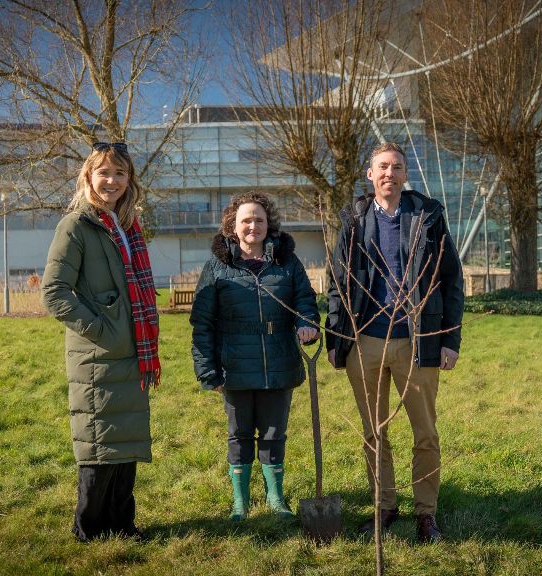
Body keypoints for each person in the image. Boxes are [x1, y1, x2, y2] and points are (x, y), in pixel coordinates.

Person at [325, 142, 464, 543]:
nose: (389, 173)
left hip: (417, 341)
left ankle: (426, 514)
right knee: (373, 431)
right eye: (382, 167)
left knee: (426, 433)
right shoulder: (353, 219)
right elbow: (338, 282)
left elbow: (451, 280)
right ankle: (384, 507)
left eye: (397, 167)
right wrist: (337, 337)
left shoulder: (428, 217)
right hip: (365, 340)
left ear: (405, 175)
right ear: (370, 175)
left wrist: (449, 339)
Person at [42, 141, 160, 542]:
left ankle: (121, 525)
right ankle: (90, 529)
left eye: (120, 174)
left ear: (130, 180)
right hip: (99, 353)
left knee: (125, 441)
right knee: (98, 442)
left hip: (132, 351)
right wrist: (102, 329)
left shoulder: (127, 226)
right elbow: (54, 292)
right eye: (104, 173)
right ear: (88, 176)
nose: (112, 181)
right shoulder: (76, 225)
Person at [190, 192, 320, 521]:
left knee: (275, 434)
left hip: (279, 363)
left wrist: (307, 324)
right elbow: (202, 322)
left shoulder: (287, 263)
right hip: (233, 367)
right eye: (246, 220)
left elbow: (306, 301)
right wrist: (208, 370)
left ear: (268, 224)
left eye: (259, 220)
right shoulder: (218, 267)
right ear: (233, 226)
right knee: (240, 435)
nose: (253, 226)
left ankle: (276, 499)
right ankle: (240, 502)